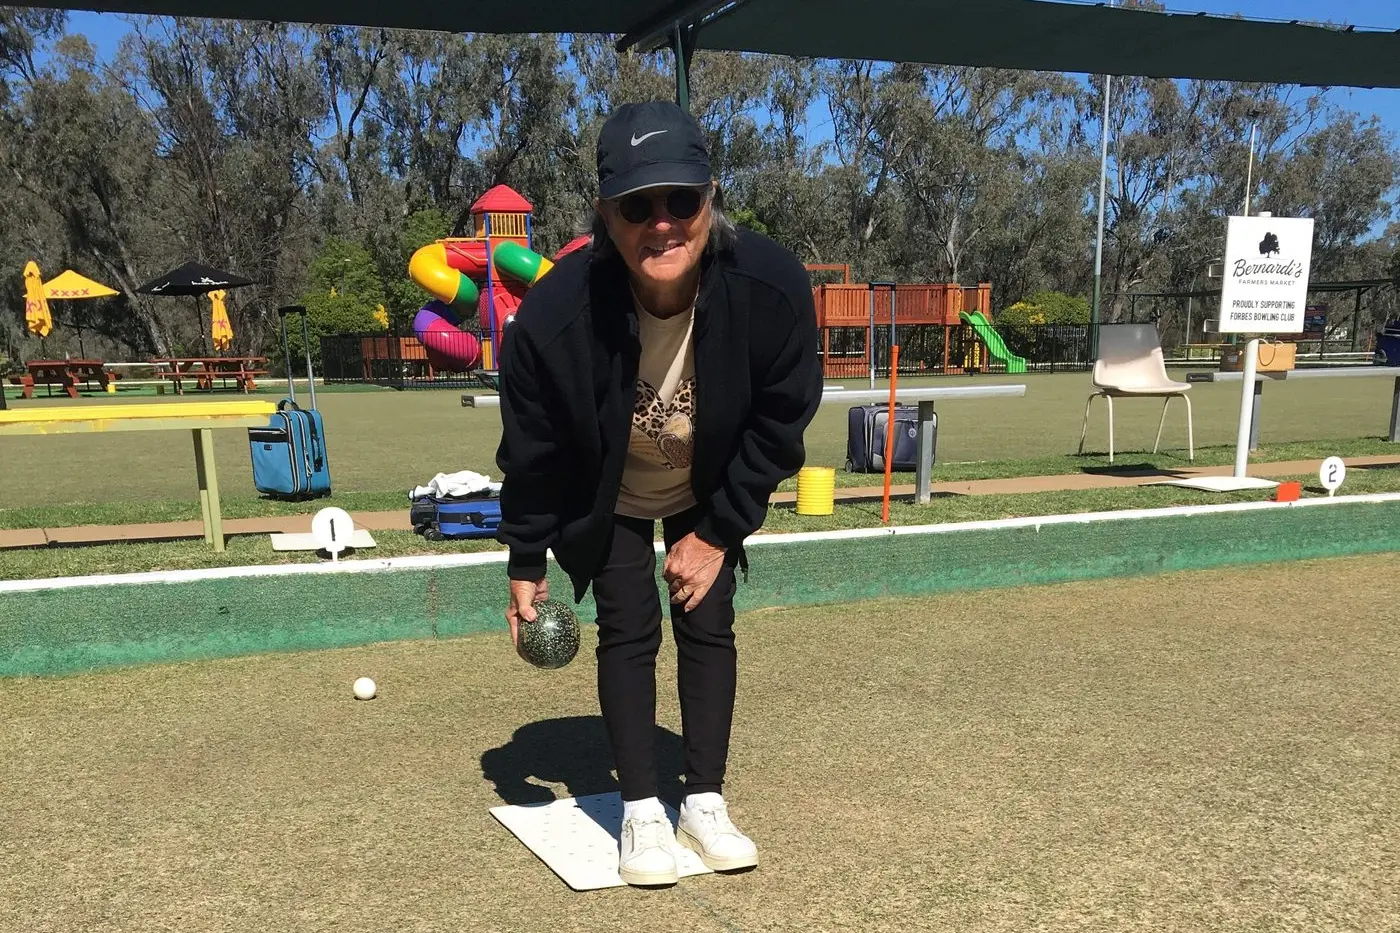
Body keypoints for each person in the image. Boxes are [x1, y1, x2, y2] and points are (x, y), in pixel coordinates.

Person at [495, 100, 823, 887]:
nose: (664, 223)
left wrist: (716, 532)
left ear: (711, 198)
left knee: (707, 619)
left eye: (682, 200)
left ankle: (703, 802)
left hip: (705, 477)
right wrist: (525, 556)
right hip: (602, 484)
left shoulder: (770, 287)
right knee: (628, 626)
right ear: (607, 215)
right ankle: (641, 809)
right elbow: (534, 449)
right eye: (639, 205)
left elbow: (782, 421)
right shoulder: (553, 315)